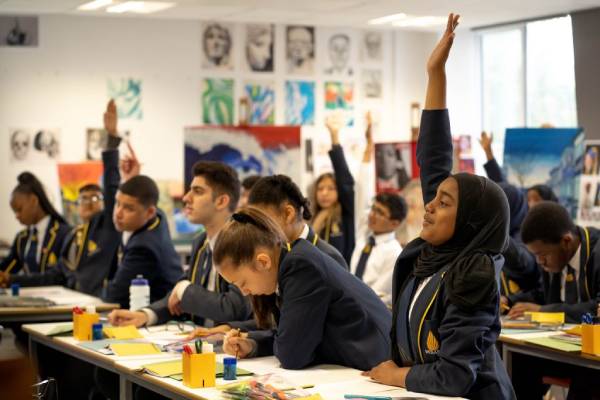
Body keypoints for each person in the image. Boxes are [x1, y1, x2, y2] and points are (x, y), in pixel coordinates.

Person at [363, 14, 516, 399]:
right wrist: (435, 74)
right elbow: (433, 158)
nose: (428, 207)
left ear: (468, 221)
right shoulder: (436, 252)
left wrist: (395, 375)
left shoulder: (475, 275)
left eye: (443, 203)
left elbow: (453, 378)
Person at [216, 206, 391, 370]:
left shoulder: (300, 267)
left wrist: (268, 341)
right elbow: (290, 335)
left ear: (263, 262)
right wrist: (252, 344)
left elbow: (292, 354)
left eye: (243, 283)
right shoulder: (292, 261)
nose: (245, 292)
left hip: (374, 365)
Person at [185, 173, 348, 339]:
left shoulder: (326, 258)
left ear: (288, 214)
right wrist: (231, 329)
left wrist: (252, 339)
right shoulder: (275, 255)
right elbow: (275, 321)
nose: (256, 229)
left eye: (262, 219)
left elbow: (301, 329)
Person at [1, 100, 124, 296]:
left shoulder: (107, 225)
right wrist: (12, 279)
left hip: (100, 306)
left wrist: (111, 141)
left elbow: (112, 188)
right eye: (83, 198)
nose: (88, 202)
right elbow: (56, 275)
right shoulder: (73, 236)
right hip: (72, 304)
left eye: (95, 198)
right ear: (75, 205)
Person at [107, 161, 251, 328]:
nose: (186, 198)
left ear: (221, 201)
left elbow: (234, 308)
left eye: (197, 191)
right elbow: (177, 296)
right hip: (200, 343)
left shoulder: (243, 243)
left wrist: (185, 290)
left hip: (235, 349)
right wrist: (146, 315)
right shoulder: (201, 243)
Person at [479, 131, 543, 310]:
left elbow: (524, 261)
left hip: (521, 310)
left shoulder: (529, 234)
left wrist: (496, 233)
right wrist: (489, 154)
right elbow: (499, 186)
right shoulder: (512, 209)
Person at [508, 201, 600, 323]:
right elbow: (542, 295)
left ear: (566, 241)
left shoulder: (596, 252)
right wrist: (509, 301)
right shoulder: (556, 256)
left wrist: (543, 311)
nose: (540, 261)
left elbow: (597, 308)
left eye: (542, 255)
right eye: (535, 255)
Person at [104, 174, 182, 308]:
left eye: (129, 208)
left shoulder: (143, 248)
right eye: (118, 203)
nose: (118, 213)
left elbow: (115, 296)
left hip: (160, 316)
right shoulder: (157, 218)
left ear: (150, 212)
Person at [352, 112, 405, 304]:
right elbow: (361, 191)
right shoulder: (365, 235)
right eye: (374, 209)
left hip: (368, 311)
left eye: (380, 213)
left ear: (394, 223)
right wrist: (368, 148)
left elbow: (378, 296)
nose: (372, 215)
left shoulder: (393, 252)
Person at [0, 172, 71, 276]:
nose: (17, 216)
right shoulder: (21, 239)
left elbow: (59, 276)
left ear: (34, 200)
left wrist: (14, 280)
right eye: (15, 212)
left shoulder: (64, 233)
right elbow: (6, 268)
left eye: (19, 209)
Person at [309, 114, 355, 264]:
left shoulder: (345, 213)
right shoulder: (311, 219)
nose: (324, 193)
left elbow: (345, 180)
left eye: (331, 188)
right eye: (320, 189)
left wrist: (334, 137)